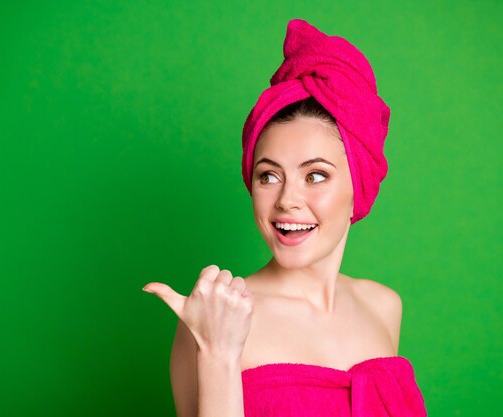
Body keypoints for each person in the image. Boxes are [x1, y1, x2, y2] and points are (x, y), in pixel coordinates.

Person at [143, 19, 428, 417]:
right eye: (269, 176)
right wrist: (219, 355)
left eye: (315, 175)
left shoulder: (384, 307)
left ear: (358, 188)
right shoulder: (214, 318)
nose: (287, 200)